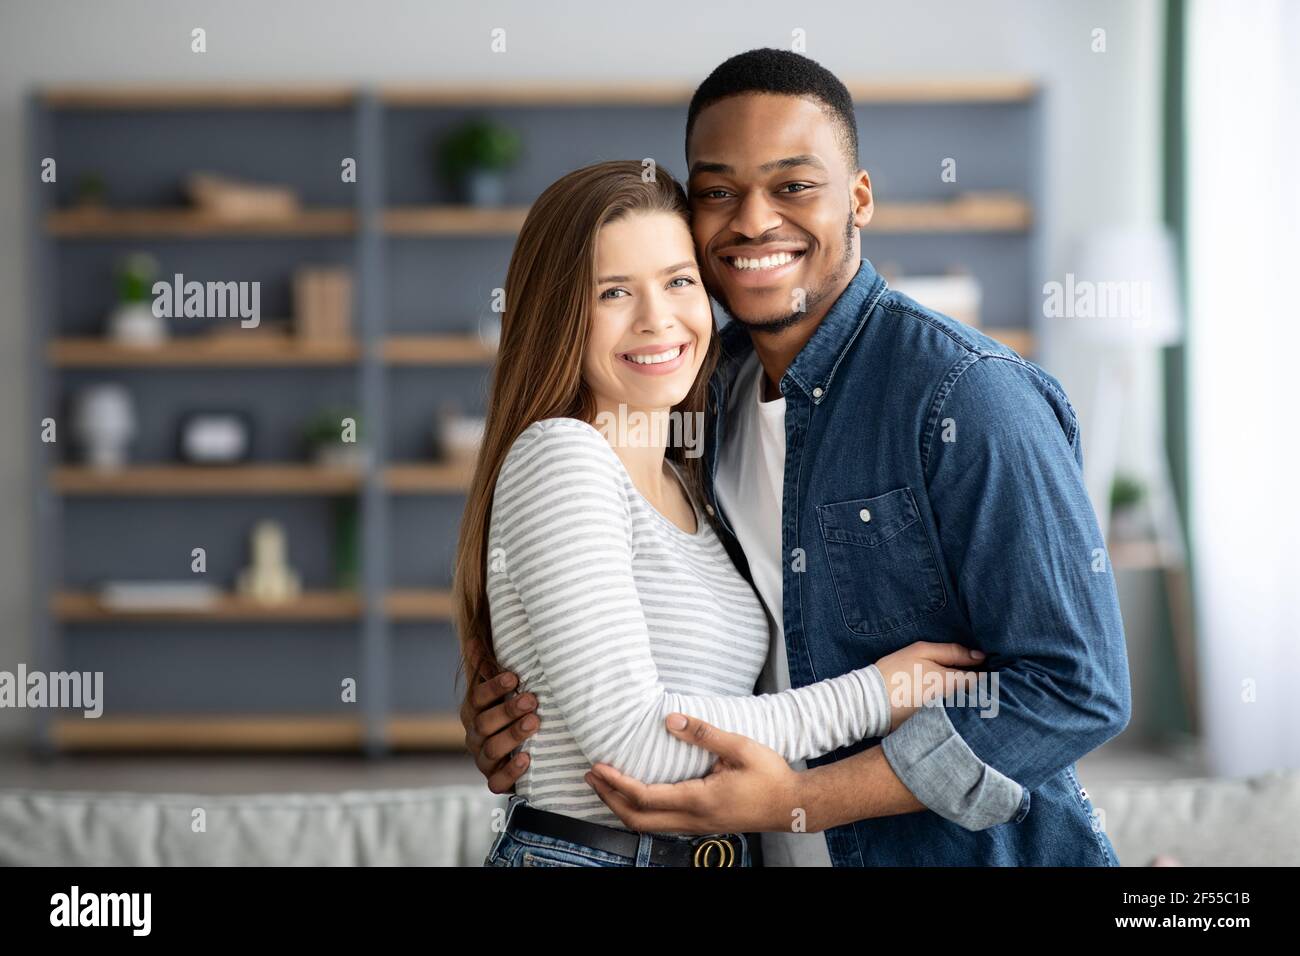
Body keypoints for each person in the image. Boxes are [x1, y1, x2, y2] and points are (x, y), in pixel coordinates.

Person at [464, 49, 1132, 867]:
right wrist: (537, 717)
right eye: (717, 192)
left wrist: (805, 801)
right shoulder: (696, 402)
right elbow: (637, 646)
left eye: (793, 185)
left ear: (858, 197)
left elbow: (1075, 689)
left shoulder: (965, 396)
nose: (751, 221)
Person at [453, 159, 985, 867]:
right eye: (614, 292)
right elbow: (639, 742)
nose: (658, 320)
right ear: (560, 316)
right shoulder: (565, 458)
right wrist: (879, 694)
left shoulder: (690, 481)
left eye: (679, 282)